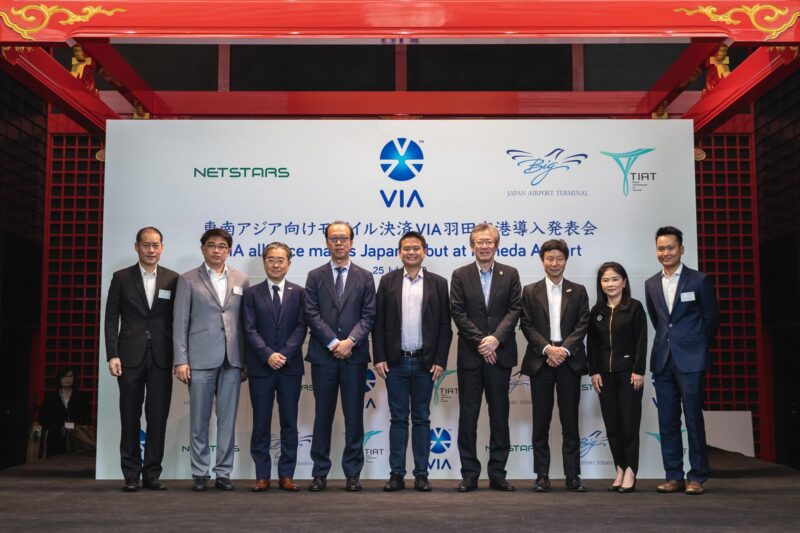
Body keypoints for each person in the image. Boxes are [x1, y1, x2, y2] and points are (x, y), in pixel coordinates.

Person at [373, 231, 453, 492]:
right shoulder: (388, 281)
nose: (411, 252)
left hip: (425, 363)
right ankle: (396, 474)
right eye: (406, 248)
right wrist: (379, 356)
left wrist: (440, 359)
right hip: (395, 363)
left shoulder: (439, 283)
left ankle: (421, 475)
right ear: (400, 253)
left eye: (416, 248)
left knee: (421, 419)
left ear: (424, 251)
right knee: (398, 419)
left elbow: (445, 325)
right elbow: (378, 322)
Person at [173, 228, 250, 492]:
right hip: (199, 359)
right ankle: (199, 472)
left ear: (229, 250)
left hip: (232, 359)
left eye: (222, 246)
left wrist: (245, 361)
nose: (217, 250)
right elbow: (180, 322)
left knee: (227, 420)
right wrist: (181, 359)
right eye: (211, 245)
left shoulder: (241, 279)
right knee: (199, 419)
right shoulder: (188, 279)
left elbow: (245, 323)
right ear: (203, 248)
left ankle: (224, 472)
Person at [645, 226, 719, 495]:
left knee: (693, 419)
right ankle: (673, 475)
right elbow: (659, 322)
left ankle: (697, 476)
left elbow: (711, 319)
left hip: (691, 360)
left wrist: (695, 345)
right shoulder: (651, 284)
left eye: (670, 247)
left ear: (681, 249)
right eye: (660, 248)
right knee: (667, 421)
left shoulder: (699, 280)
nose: (665, 253)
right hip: (663, 360)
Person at [104, 226, 179, 492]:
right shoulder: (122, 277)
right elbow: (111, 318)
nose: (151, 250)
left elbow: (177, 320)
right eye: (146, 245)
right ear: (137, 247)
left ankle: (152, 474)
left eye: (156, 245)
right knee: (129, 416)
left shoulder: (173, 279)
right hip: (129, 357)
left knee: (157, 417)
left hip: (161, 357)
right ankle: (131, 475)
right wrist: (112, 354)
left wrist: (179, 356)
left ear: (162, 248)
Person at [304, 221, 376, 492]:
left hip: (353, 357)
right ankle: (319, 472)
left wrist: (351, 342)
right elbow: (311, 313)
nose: (339, 242)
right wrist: (334, 342)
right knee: (322, 416)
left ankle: (353, 473)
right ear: (327, 242)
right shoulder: (315, 276)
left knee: (354, 417)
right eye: (334, 238)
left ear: (351, 242)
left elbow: (369, 315)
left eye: (343, 238)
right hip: (324, 356)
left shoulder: (364, 276)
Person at [450, 223, 521, 492]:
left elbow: (514, 310)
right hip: (471, 356)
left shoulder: (510, 274)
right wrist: (483, 342)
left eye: (489, 241)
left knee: (500, 416)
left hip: (500, 356)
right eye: (479, 242)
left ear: (496, 245)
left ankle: (498, 474)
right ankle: (469, 474)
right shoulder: (460, 275)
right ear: (472, 246)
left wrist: (495, 340)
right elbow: (458, 312)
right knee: (468, 417)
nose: (484, 246)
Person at [520, 239, 590, 492]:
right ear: (543, 261)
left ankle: (572, 475)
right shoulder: (530, 291)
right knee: (541, 421)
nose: (554, 263)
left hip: (569, 361)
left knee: (570, 421)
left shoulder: (578, 291)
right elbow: (526, 325)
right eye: (550, 258)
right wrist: (548, 349)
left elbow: (583, 324)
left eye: (559, 258)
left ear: (565, 261)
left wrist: (563, 350)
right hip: (541, 360)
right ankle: (542, 475)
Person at [242, 242, 307, 492]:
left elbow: (301, 327)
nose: (276, 264)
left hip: (290, 368)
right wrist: (268, 355)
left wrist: (284, 354)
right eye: (271, 259)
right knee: (261, 422)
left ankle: (286, 475)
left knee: (289, 422)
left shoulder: (299, 293)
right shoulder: (251, 293)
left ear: (289, 264)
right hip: (261, 367)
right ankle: (262, 475)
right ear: (264, 262)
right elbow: (249, 329)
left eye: (281, 260)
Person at [587, 262, 647, 493]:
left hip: (629, 374)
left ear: (624, 281)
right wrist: (594, 371)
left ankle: (631, 469)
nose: (610, 284)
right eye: (605, 280)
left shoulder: (634, 307)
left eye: (614, 279)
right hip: (604, 376)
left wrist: (639, 370)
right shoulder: (597, 311)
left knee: (629, 424)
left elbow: (641, 340)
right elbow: (592, 345)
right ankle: (619, 468)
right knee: (612, 425)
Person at [34, 367, 91, 456]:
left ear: (74, 378)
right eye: (64, 376)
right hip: (55, 436)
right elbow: (42, 417)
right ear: (59, 379)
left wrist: (80, 428)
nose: (67, 379)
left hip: (76, 437)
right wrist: (54, 426)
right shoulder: (50, 397)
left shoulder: (81, 396)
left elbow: (86, 418)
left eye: (70, 376)